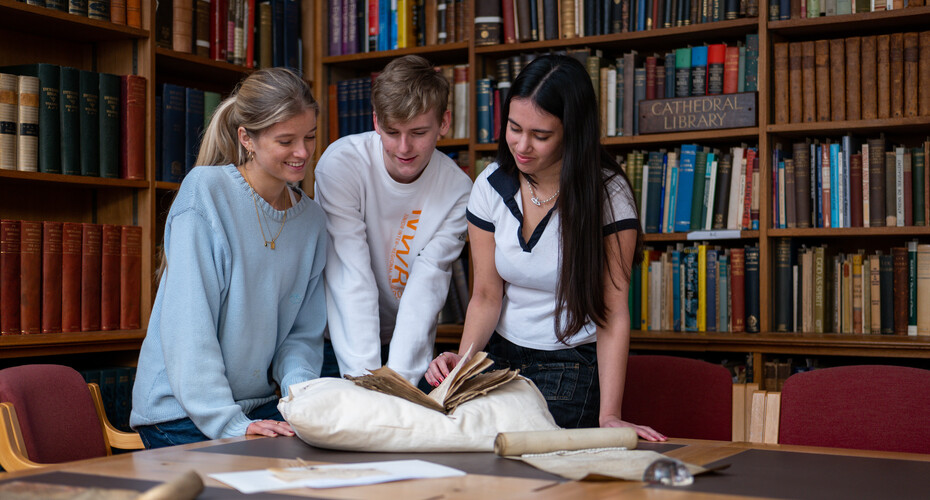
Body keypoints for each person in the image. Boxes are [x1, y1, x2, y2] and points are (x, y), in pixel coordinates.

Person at [425, 55, 666, 440]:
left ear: (573, 131)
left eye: (540, 135)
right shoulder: (490, 185)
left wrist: (610, 415)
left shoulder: (607, 194)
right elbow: (486, 295)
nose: (522, 146)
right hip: (499, 356)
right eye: (514, 128)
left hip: (569, 364)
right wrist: (462, 368)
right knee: (431, 422)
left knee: (519, 443)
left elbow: (613, 313)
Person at [130, 68, 327, 448]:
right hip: (182, 413)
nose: (302, 152)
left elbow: (302, 335)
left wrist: (302, 401)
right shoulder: (205, 193)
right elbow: (189, 326)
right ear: (246, 139)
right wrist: (228, 421)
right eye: (286, 140)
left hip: (261, 408)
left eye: (310, 136)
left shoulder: (313, 221)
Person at [315, 55, 472, 385]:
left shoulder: (459, 190)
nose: (404, 147)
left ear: (444, 123)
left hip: (406, 344)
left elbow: (427, 285)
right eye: (392, 131)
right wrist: (365, 379)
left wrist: (397, 384)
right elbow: (349, 273)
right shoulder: (342, 164)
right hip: (330, 341)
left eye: (418, 132)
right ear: (375, 122)